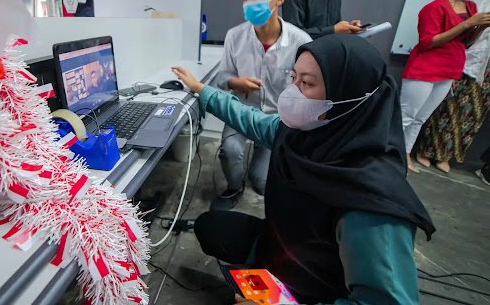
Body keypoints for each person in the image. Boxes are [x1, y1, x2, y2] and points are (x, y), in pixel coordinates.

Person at [171, 34, 435, 305]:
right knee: (212, 226)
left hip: (323, 290)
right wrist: (203, 90)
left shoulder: (373, 203)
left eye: (307, 83)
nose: (292, 92)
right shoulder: (300, 134)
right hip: (288, 250)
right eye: (293, 77)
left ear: (349, 96)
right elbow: (250, 119)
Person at [212, 0, 312, 210]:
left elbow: (308, 91)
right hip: (242, 112)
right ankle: (234, 188)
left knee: (261, 181)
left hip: (275, 119)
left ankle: (260, 167)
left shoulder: (301, 42)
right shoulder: (235, 36)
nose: (249, 3)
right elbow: (221, 77)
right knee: (229, 151)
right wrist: (235, 82)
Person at [401, 0, 490, 173]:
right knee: (405, 117)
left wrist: (480, 28)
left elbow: (466, 43)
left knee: (421, 118)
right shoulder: (434, 8)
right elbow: (427, 43)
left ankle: (405, 154)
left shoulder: (470, 8)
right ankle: (389, 154)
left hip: (449, 69)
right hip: (425, 68)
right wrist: (468, 24)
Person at [415, 0, 490, 173]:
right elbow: (464, 34)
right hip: (468, 62)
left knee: (472, 116)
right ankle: (426, 151)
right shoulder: (481, 3)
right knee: (447, 109)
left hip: (487, 73)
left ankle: (445, 155)